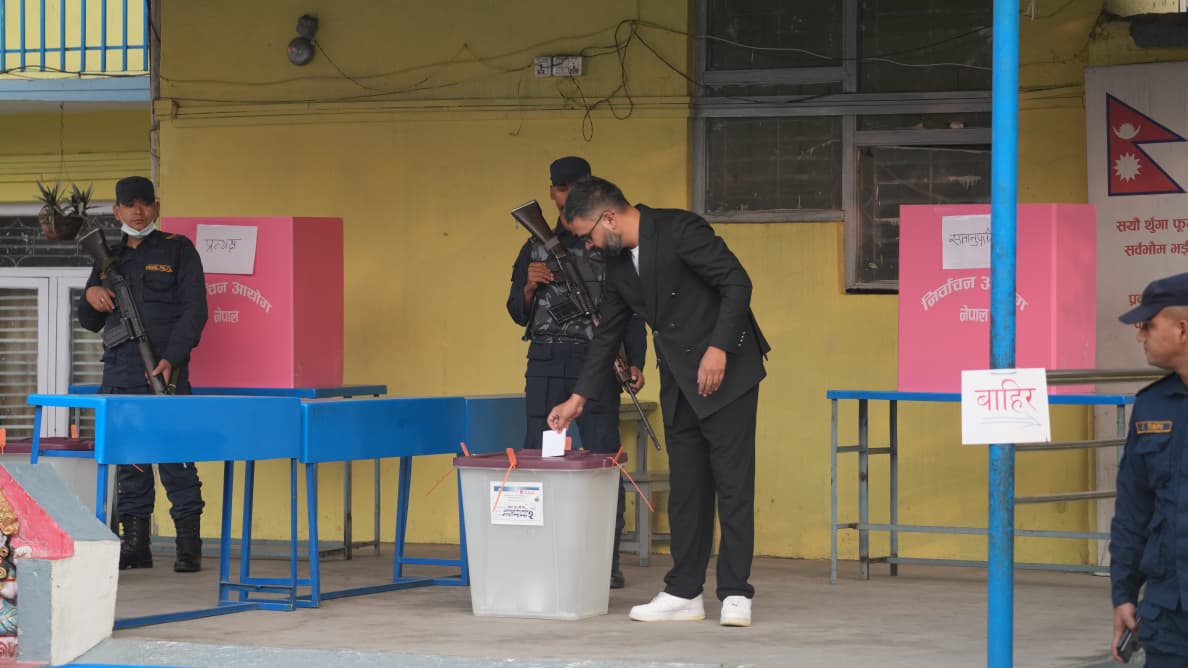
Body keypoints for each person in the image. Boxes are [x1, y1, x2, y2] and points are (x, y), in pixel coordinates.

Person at [547, 175, 770, 627]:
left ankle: (735, 592)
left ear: (608, 218)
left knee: (731, 484)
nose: (588, 246)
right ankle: (684, 591)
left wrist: (719, 348)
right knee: (687, 487)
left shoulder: (679, 230)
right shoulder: (617, 264)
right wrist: (578, 397)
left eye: (587, 235)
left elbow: (736, 283)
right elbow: (609, 332)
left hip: (726, 371)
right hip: (680, 380)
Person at [507, 157, 647, 590]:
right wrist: (529, 285)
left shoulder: (608, 244)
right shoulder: (533, 246)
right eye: (561, 188)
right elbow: (516, 312)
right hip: (547, 363)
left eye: (575, 187)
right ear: (552, 192)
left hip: (597, 365)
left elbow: (632, 310)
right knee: (537, 460)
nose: (567, 195)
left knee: (604, 462)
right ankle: (538, 557)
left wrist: (636, 360)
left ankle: (605, 561)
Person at [78, 176, 208, 573]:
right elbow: (89, 322)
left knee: (176, 457)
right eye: (130, 205)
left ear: (156, 207)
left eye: (145, 204)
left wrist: (173, 357)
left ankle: (188, 546)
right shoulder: (107, 258)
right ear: (117, 211)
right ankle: (136, 546)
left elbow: (195, 310)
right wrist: (91, 296)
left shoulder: (178, 249)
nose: (138, 211)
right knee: (131, 461)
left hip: (165, 372)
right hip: (121, 373)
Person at [1110, 271, 1188, 666]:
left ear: (1182, 329)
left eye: (1148, 325)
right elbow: (1133, 508)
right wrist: (1123, 594)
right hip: (1170, 615)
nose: (1140, 336)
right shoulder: (1151, 406)